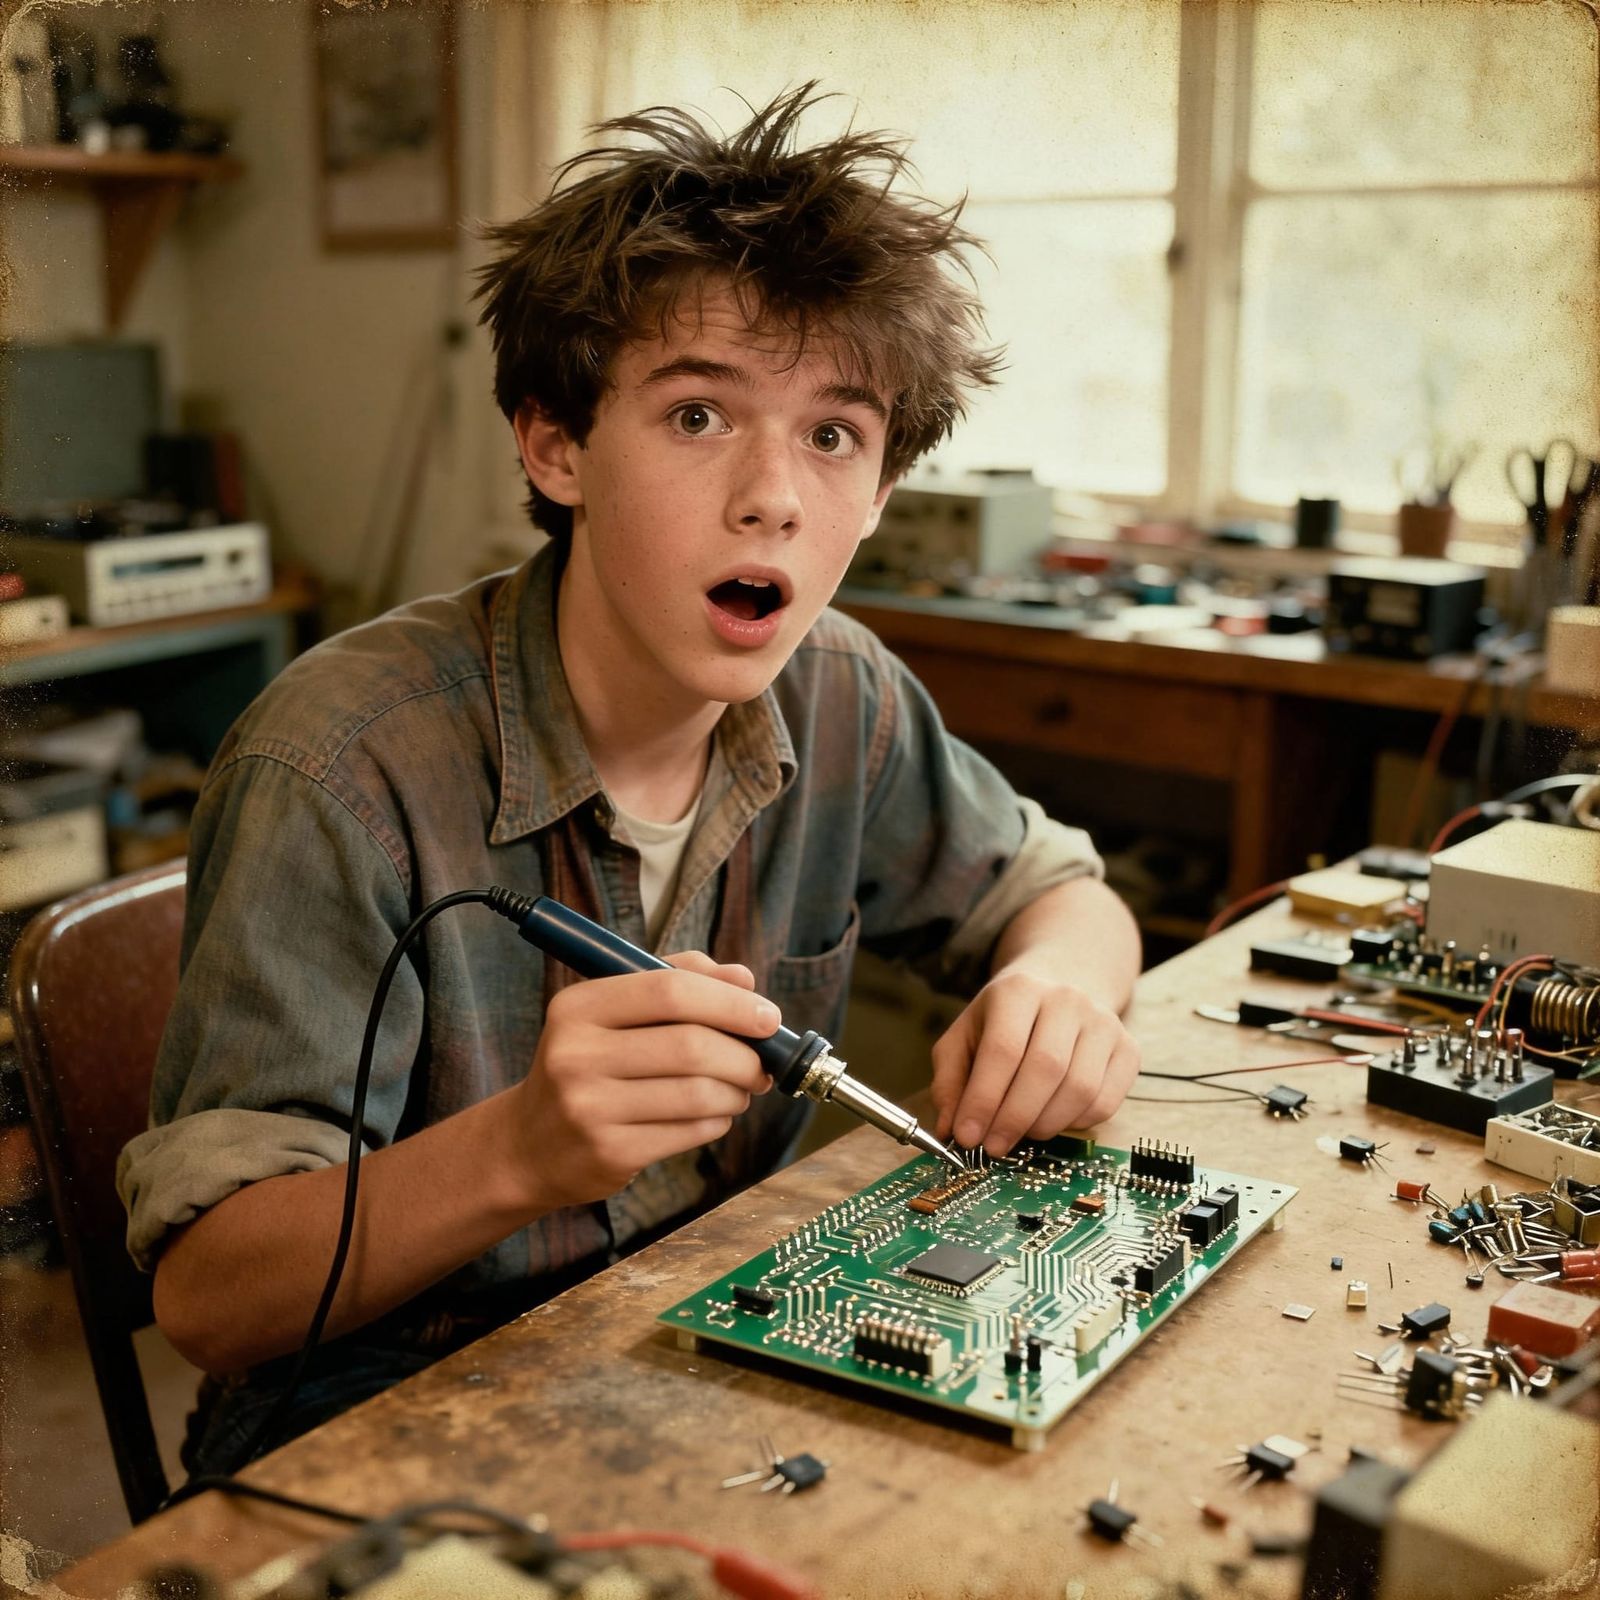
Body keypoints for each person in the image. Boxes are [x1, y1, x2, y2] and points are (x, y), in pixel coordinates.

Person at [118, 85, 1142, 1473]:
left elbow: (1066, 896)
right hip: (378, 1423)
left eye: (835, 435)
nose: (774, 495)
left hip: (706, 1350)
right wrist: (521, 1153)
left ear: (885, 484)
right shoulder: (337, 761)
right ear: (557, 444)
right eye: (700, 416)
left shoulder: (839, 690)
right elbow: (208, 1297)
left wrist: (1057, 992)